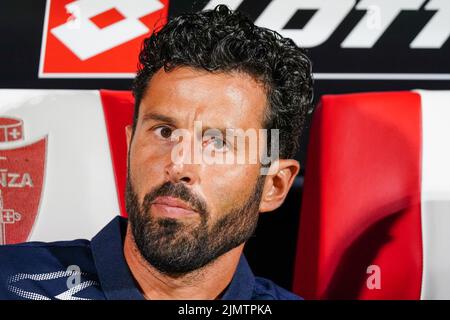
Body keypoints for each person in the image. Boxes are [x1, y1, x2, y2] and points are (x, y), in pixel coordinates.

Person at [0, 4, 313, 300]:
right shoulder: (10, 279)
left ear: (273, 186)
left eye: (218, 143)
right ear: (130, 145)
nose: (178, 165)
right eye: (164, 132)